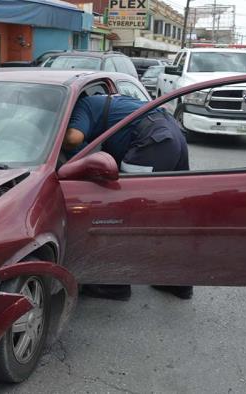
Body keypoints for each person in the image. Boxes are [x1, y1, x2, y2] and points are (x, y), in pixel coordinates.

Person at [63, 93, 193, 300]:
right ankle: (177, 282)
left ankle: (114, 285)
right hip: (172, 135)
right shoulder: (112, 101)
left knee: (121, 213)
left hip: (152, 142)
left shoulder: (83, 105)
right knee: (168, 215)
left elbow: (73, 138)